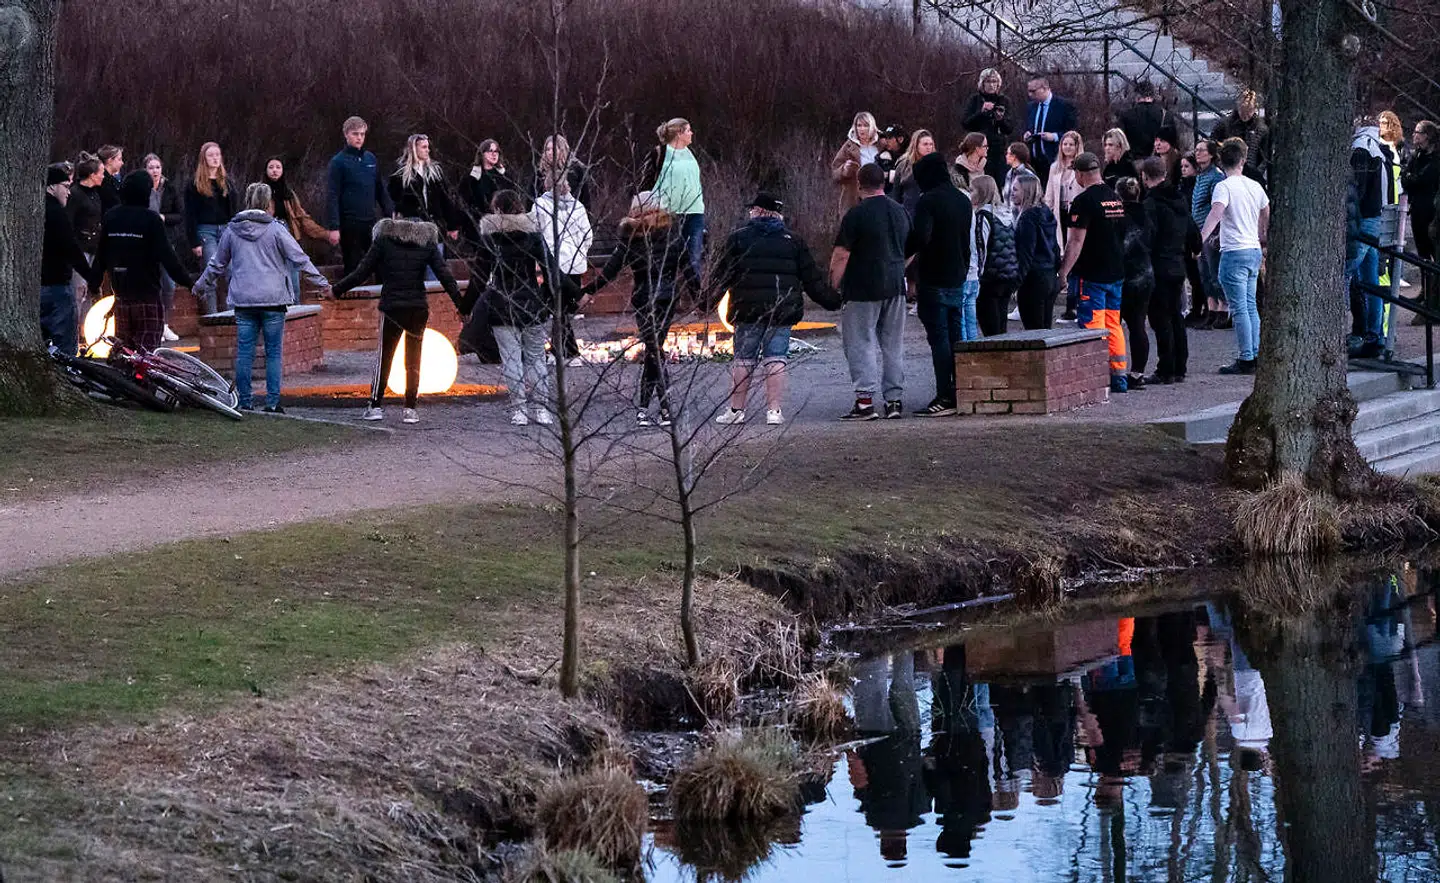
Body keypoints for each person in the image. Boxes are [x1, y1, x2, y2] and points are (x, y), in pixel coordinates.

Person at [191, 183, 331, 413]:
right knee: (273, 352)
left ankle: (245, 401)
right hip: (273, 300)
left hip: (244, 300)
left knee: (245, 351)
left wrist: (199, 286)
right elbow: (299, 258)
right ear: (269, 204)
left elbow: (217, 264)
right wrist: (323, 284)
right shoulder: (276, 230)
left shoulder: (232, 230)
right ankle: (273, 402)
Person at [712, 192, 839, 425]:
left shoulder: (738, 239)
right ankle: (774, 411)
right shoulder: (794, 240)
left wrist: (706, 303)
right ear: (778, 214)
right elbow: (812, 280)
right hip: (782, 309)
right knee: (776, 359)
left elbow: (721, 277)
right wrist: (834, 301)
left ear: (758, 211)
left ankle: (736, 410)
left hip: (746, 309)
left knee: (743, 359)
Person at [331, 216, 463, 425]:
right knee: (413, 359)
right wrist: (462, 305)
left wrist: (336, 290)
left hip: (392, 307)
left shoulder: (384, 240)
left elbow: (361, 272)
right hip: (417, 307)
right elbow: (444, 275)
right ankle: (410, 408)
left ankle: (375, 405)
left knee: (385, 357)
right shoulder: (426, 243)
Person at [581, 198, 698, 427]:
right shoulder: (674, 238)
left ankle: (650, 409)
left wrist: (586, 291)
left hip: (644, 297)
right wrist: (701, 299)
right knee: (655, 350)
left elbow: (610, 272)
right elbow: (689, 272)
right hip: (667, 297)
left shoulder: (631, 239)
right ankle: (656, 409)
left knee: (653, 351)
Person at [830, 163, 910, 420]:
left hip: (862, 286)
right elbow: (912, 246)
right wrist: (898, 266)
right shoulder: (900, 212)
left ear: (859, 184)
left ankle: (865, 401)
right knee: (893, 344)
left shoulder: (856, 215)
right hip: (896, 285)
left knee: (860, 342)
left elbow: (842, 254)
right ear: (883, 183)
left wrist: (832, 285)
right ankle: (894, 401)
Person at [472, 190, 554, 426]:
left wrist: (466, 305)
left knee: (511, 359)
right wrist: (553, 297)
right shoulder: (533, 236)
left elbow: (479, 277)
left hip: (501, 304)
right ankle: (542, 409)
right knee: (537, 357)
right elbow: (549, 269)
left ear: (497, 209)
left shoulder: (490, 238)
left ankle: (519, 409)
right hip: (531, 302)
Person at [92, 171, 196, 350]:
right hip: (147, 294)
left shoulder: (111, 217)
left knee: (124, 351)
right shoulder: (151, 220)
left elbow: (101, 254)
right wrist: (188, 282)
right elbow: (168, 257)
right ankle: (142, 378)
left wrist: (94, 282)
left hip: (121, 296)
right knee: (147, 353)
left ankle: (125, 378)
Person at [904, 153, 973, 416]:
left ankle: (944, 394)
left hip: (934, 276)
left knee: (939, 338)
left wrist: (903, 252)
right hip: (957, 274)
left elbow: (921, 237)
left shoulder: (928, 202)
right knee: (956, 335)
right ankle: (960, 389)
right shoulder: (962, 200)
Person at [1058, 153, 1129, 393]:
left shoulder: (1083, 201)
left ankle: (1095, 378)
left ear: (1079, 174)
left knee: (1092, 326)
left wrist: (1063, 273)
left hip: (1093, 275)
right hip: (1116, 272)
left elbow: (1075, 242)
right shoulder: (1115, 198)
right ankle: (1119, 376)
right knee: (1114, 324)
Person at [1201, 137, 1270, 374]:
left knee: (1239, 307)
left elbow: (1217, 212)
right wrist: (1262, 237)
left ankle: (1246, 357)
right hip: (1252, 249)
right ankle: (1257, 351)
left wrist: (1200, 237)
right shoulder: (1255, 186)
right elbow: (1265, 211)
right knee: (1250, 306)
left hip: (1233, 251)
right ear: (1242, 160)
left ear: (1221, 161)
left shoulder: (1224, 186)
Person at [531, 159, 594, 367]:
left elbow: (537, 234)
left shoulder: (541, 205)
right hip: (573, 262)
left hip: (554, 262)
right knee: (564, 307)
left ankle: (566, 351)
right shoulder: (578, 207)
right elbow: (587, 235)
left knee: (559, 307)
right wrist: (580, 253)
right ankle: (563, 350)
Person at [1140, 156, 1191, 383]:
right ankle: (1180, 365)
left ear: (1145, 177)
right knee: (1176, 316)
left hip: (1159, 266)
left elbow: (1147, 237)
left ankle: (1166, 368)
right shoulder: (1179, 200)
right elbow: (1193, 233)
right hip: (1178, 263)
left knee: (1160, 318)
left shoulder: (1151, 204)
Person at [41, 164, 99, 356]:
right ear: (51, 187)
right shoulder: (56, 213)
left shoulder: (36, 210)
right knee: (65, 345)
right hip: (56, 286)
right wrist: (91, 277)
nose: (68, 192)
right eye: (65, 186)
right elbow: (71, 248)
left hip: (37, 287)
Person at [326, 115, 395, 274]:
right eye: (355, 134)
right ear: (346, 135)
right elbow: (332, 195)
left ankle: (383, 298)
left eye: (362, 134)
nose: (359, 138)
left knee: (381, 264)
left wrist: (390, 212)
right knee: (353, 267)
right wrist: (334, 226)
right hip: (349, 223)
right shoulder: (338, 162)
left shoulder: (370, 158)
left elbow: (380, 189)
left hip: (370, 221)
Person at [1346, 120, 1388, 359]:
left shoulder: (1361, 149)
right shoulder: (1377, 147)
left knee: (1345, 272)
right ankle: (1375, 335)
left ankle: (1365, 333)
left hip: (1364, 219)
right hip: (1376, 216)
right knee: (1371, 281)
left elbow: (1357, 190)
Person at [646, 118, 706, 282]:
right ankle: (667, 299)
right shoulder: (660, 153)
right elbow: (645, 184)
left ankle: (696, 302)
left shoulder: (690, 153)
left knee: (693, 260)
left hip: (694, 213)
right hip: (668, 214)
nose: (691, 133)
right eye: (688, 130)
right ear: (679, 133)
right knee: (668, 260)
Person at [185, 141, 240, 312]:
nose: (215, 158)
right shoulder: (194, 184)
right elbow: (190, 214)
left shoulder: (228, 183)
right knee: (211, 274)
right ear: (204, 159)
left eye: (217, 155)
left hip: (226, 230)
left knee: (232, 272)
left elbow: (234, 211)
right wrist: (194, 242)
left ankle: (234, 314)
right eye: (211, 155)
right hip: (205, 231)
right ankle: (212, 316)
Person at [263, 157, 331, 297]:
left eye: (278, 167)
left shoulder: (289, 193)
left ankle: (295, 308)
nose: (275, 170)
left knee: (293, 277)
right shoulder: (260, 192)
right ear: (265, 170)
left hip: (288, 234)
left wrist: (325, 234)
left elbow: (302, 219)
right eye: (271, 167)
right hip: (267, 237)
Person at [142, 154, 187, 341]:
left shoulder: (169, 188)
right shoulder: (141, 188)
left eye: (157, 167)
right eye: (151, 168)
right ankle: (152, 323)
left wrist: (164, 218)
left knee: (168, 283)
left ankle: (164, 323)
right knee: (150, 283)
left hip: (167, 239)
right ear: (145, 169)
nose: (155, 171)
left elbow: (179, 214)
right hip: (145, 241)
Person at [1115, 177, 1154, 388]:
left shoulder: (1119, 216)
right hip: (1145, 273)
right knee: (1138, 324)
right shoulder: (1147, 214)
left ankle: (1115, 370)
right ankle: (1137, 372)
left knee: (1114, 324)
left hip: (1123, 274)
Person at [971, 176, 1020, 336]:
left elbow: (981, 248)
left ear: (981, 192)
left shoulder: (983, 216)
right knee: (1001, 324)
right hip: (1008, 274)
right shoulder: (1006, 213)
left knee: (990, 327)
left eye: (972, 190)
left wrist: (978, 276)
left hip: (990, 277)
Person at [389, 134, 460, 243]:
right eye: (424, 147)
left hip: (434, 225)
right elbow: (393, 199)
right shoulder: (401, 174)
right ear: (414, 149)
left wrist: (452, 225)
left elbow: (445, 199)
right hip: (411, 227)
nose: (428, 150)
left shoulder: (435, 171)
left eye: (428, 147)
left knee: (437, 256)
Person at [1044, 131, 1085, 317]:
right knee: (1061, 254)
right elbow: (1049, 195)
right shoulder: (1055, 167)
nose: (1067, 148)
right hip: (1059, 215)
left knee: (1075, 256)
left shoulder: (1081, 167)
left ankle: (1073, 303)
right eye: (1065, 144)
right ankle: (1062, 296)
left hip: (1076, 215)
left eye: (1071, 144)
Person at [1012, 175, 1059, 330]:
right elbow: (1055, 246)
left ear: (1026, 191)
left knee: (1034, 331)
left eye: (1015, 190)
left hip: (1033, 279)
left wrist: (1016, 283)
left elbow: (1026, 254)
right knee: (1045, 329)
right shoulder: (1046, 211)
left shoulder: (1028, 217)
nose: (1012, 193)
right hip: (1049, 275)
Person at [1401, 120, 1439, 309]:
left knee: (1433, 253)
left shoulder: (1435, 159)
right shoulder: (1417, 156)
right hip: (1417, 210)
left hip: (1431, 212)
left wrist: (1411, 178)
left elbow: (1421, 179)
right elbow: (1407, 179)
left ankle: (1433, 296)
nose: (1414, 135)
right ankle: (1425, 291)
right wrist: (1410, 178)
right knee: (1422, 253)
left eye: (1418, 132)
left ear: (1427, 136)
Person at [1190, 139, 1228, 329]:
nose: (1197, 153)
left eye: (1202, 150)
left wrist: (1217, 231)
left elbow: (1216, 206)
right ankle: (1211, 308)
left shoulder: (1216, 177)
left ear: (1211, 154)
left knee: (1214, 271)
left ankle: (1223, 308)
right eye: (1196, 150)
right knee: (1203, 273)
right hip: (1199, 230)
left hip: (1211, 231)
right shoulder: (1200, 176)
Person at [1023, 77, 1079, 187]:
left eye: (1033, 91)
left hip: (1054, 158)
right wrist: (1027, 133)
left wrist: (1054, 137)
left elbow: (1073, 132)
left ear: (1045, 88)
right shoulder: (1031, 106)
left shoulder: (1064, 106)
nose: (1030, 94)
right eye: (1029, 91)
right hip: (1034, 160)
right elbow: (1027, 126)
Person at [67, 154, 106, 310]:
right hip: (79, 250)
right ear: (92, 175)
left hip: (93, 249)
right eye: (101, 173)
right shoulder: (75, 194)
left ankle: (85, 331)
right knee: (78, 290)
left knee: (91, 289)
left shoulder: (95, 194)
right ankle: (73, 331)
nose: (103, 176)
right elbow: (69, 223)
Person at [962, 68, 1014, 182]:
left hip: (999, 151)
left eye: (994, 81)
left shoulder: (1004, 101)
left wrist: (1000, 119)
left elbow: (1010, 128)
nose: (991, 85)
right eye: (988, 81)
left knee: (1000, 183)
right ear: (982, 83)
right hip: (978, 150)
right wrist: (981, 113)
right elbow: (965, 123)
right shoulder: (975, 100)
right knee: (980, 183)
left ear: (998, 84)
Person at [1212, 90, 1271, 187]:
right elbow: (1213, 145)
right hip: (1228, 171)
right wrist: (1224, 167)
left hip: (1251, 173)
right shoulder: (1224, 125)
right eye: (1242, 111)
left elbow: (1265, 155)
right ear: (1238, 108)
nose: (1245, 115)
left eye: (1249, 111)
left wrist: (1256, 173)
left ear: (1255, 109)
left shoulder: (1261, 128)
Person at [463, 139, 517, 240]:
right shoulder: (472, 177)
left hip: (504, 227)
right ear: (482, 154)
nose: (494, 154)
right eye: (490, 151)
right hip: (479, 227)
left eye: (496, 151)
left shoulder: (505, 176)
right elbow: (465, 202)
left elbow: (513, 200)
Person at [1178, 153, 1207, 326]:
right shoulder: (1182, 186)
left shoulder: (1195, 187)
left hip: (1194, 231)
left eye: (1187, 166)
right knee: (1192, 274)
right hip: (1186, 234)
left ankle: (1201, 308)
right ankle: (1196, 308)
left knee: (1198, 275)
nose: (1183, 170)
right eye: (1181, 166)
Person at [832, 112, 880, 214]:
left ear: (872, 127)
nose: (862, 129)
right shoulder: (849, 146)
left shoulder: (881, 145)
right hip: (854, 198)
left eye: (866, 125)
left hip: (878, 197)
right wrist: (844, 169)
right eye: (859, 125)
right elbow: (835, 172)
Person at [890, 129, 938, 217]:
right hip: (908, 213)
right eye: (925, 144)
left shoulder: (937, 165)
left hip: (931, 214)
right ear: (916, 145)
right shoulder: (903, 165)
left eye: (931, 144)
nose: (929, 147)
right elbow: (896, 194)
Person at [1118, 81, 1164, 160]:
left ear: (1137, 96)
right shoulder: (1164, 115)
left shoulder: (1126, 115)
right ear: (1152, 95)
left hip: (1133, 164)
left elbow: (1120, 143)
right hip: (1158, 163)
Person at [1001, 142, 1039, 223]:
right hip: (1010, 220)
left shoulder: (1028, 175)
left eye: (1008, 153)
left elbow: (1035, 198)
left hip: (1025, 220)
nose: (1006, 156)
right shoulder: (1009, 174)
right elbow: (1007, 198)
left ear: (1014, 156)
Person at [875, 125, 906, 192]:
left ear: (900, 139)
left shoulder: (908, 156)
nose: (886, 141)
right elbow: (876, 177)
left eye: (889, 138)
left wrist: (889, 174)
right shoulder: (882, 156)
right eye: (885, 138)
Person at [97, 145, 125, 212]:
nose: (122, 163)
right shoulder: (103, 181)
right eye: (119, 159)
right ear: (110, 160)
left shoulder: (112, 180)